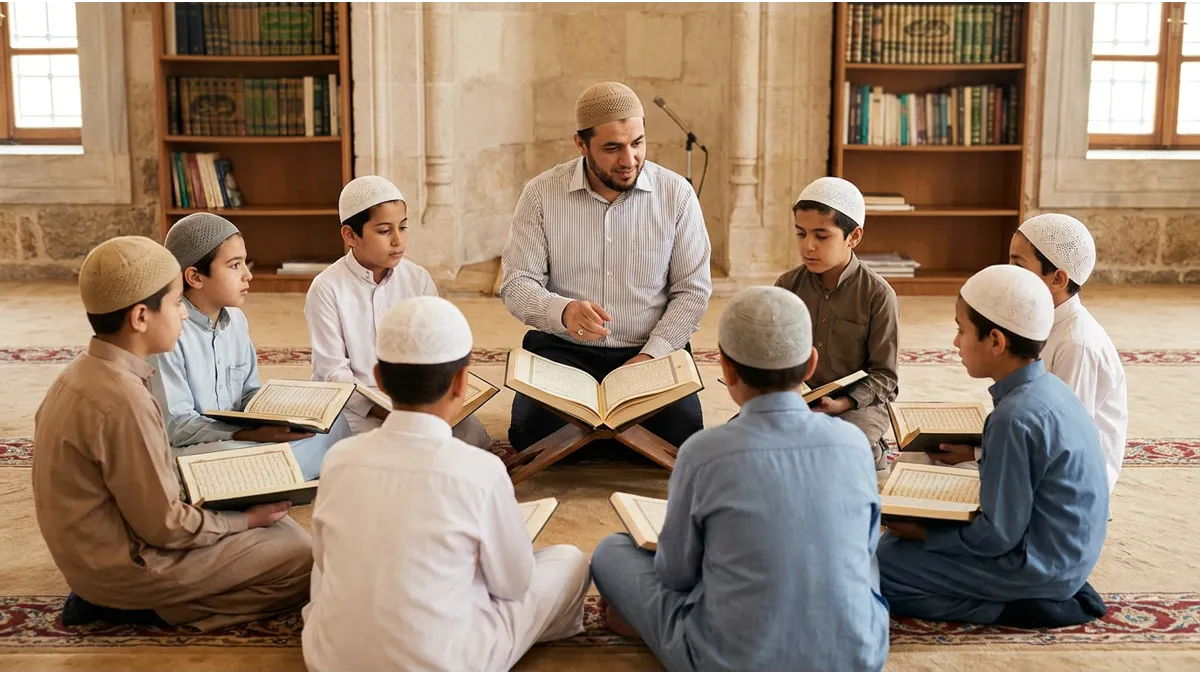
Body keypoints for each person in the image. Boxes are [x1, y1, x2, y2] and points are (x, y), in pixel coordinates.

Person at [590, 287, 889, 671]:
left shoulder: (704, 452)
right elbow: (864, 554)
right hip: (858, 655)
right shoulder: (852, 444)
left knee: (611, 552)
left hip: (729, 660)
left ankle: (656, 627)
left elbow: (676, 574)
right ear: (811, 364)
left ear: (725, 368)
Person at [33, 236, 311, 631]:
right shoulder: (124, 401)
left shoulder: (80, 373)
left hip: (100, 550)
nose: (184, 315)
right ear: (141, 317)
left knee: (278, 526)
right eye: (177, 302)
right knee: (302, 557)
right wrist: (244, 521)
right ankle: (152, 609)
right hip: (123, 567)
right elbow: (166, 527)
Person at [303, 297, 589, 671]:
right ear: (461, 382)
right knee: (568, 563)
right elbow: (513, 586)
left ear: (378, 379)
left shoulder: (339, 460)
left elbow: (325, 562)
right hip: (447, 662)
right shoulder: (481, 470)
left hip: (329, 660)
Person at [877, 265, 1109, 628]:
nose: (955, 342)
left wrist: (924, 532)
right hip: (1069, 555)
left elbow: (997, 536)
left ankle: (1015, 609)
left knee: (883, 563)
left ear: (997, 341)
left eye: (961, 329)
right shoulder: (1051, 389)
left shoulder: (1013, 417)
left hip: (1043, 568)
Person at [500, 81, 711, 451]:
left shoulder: (676, 195)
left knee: (682, 435)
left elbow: (692, 292)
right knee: (530, 435)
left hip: (650, 350)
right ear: (581, 144)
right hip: (563, 347)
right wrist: (563, 311)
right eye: (612, 148)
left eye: (637, 143)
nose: (629, 159)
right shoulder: (540, 194)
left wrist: (650, 356)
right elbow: (517, 283)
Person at [150, 213, 350, 480]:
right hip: (191, 449)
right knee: (220, 463)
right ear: (195, 277)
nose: (248, 275)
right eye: (234, 266)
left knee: (336, 429)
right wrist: (247, 434)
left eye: (245, 263)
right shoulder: (168, 331)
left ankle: (262, 478)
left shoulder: (236, 321)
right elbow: (177, 426)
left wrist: (286, 417)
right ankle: (262, 475)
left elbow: (249, 395)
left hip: (241, 441)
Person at [305, 175, 490, 448]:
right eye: (384, 231)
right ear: (350, 235)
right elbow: (333, 371)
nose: (397, 241)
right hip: (355, 407)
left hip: (416, 403)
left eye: (403, 228)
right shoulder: (326, 288)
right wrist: (388, 412)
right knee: (355, 448)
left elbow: (435, 348)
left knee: (473, 436)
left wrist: (423, 406)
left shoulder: (418, 279)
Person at [775, 177, 899, 476]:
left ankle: (874, 453)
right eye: (801, 234)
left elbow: (885, 377)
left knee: (837, 457)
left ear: (853, 236)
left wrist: (843, 402)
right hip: (798, 399)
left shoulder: (878, 295)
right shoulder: (787, 286)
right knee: (746, 444)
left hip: (857, 406)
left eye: (822, 235)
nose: (808, 246)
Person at [1009, 213, 1126, 493]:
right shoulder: (1041, 320)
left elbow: (1061, 440)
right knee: (923, 458)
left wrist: (979, 454)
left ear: (1058, 279)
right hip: (1035, 452)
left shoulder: (1077, 344)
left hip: (1068, 486)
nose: (1009, 274)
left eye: (1018, 265)